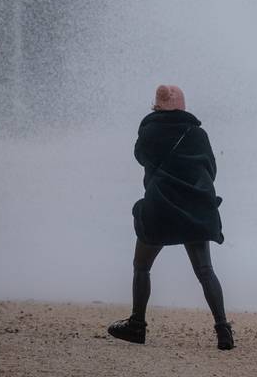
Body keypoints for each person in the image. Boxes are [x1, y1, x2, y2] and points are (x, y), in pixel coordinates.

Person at [107, 84, 234, 350]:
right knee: (205, 271)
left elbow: (140, 156)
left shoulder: (150, 130)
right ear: (183, 106)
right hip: (195, 210)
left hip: (160, 209)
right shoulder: (197, 133)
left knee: (141, 266)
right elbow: (210, 169)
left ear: (156, 105)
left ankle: (137, 326)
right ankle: (223, 332)